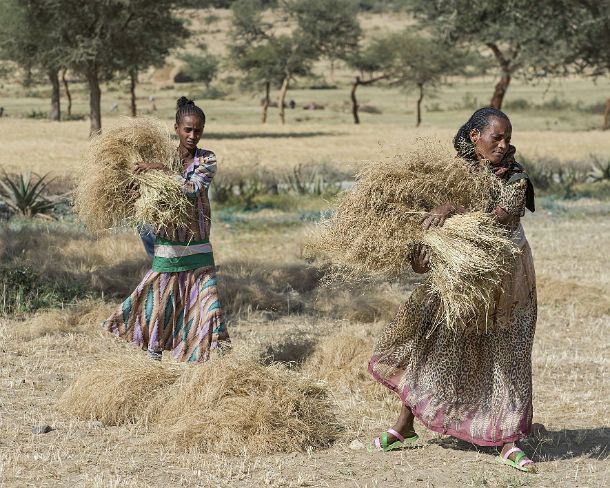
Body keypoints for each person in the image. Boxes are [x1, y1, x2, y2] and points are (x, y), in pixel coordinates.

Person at [368, 107, 537, 473]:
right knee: (429, 340)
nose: (504, 145)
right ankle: (405, 425)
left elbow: (499, 219)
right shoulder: (453, 174)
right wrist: (420, 248)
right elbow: (437, 231)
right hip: (458, 272)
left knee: (505, 353)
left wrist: (451, 208)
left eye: (507, 138)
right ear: (475, 137)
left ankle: (508, 439)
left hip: (503, 274)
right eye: (497, 138)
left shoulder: (515, 179)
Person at [105, 97, 230, 362]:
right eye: (187, 129)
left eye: (198, 130)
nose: (193, 136)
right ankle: (154, 355)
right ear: (176, 128)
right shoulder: (162, 157)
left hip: (197, 242)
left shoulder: (206, 159)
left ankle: (210, 354)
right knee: (162, 298)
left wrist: (163, 171)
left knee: (207, 300)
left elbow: (193, 189)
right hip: (168, 242)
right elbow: (144, 194)